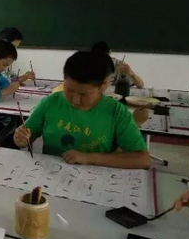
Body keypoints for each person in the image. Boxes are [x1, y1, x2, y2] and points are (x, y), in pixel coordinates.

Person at [13, 51, 150, 169]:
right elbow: (25, 137)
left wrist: (88, 158)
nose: (75, 100)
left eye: (84, 94)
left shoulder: (116, 111)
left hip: (96, 179)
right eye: (69, 90)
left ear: (102, 85)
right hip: (52, 175)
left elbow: (142, 159)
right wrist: (20, 138)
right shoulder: (51, 102)